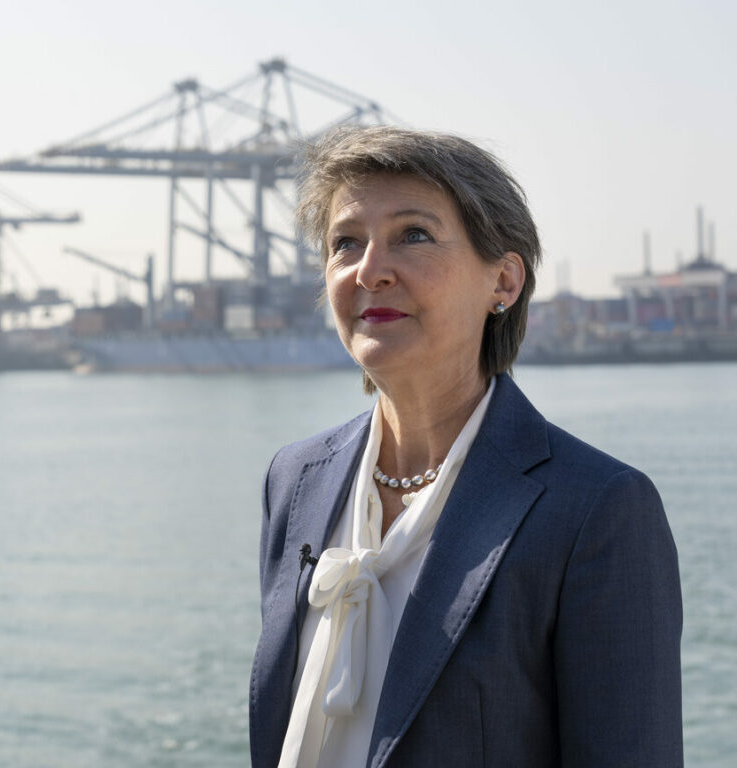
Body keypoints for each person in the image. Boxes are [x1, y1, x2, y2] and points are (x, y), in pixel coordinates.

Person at [249, 126, 683, 768]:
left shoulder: (597, 511)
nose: (370, 270)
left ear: (503, 280)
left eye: (413, 235)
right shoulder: (295, 480)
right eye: (346, 243)